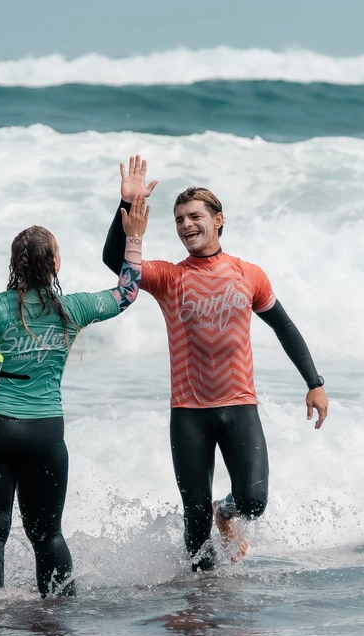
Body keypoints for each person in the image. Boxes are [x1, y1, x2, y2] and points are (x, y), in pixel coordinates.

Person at [102, 156, 328, 570]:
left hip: (238, 405)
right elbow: (117, 263)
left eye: (194, 216)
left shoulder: (248, 274)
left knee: (254, 502)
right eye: (178, 219)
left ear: (218, 220)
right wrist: (125, 209)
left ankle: (226, 512)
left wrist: (314, 382)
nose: (186, 225)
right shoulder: (168, 276)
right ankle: (202, 605)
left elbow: (285, 326)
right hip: (188, 413)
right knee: (194, 525)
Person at [0, 196, 150, 597]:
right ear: (55, 265)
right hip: (46, 434)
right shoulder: (73, 308)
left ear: (14, 265)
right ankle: (58, 619)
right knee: (48, 536)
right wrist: (133, 237)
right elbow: (127, 293)